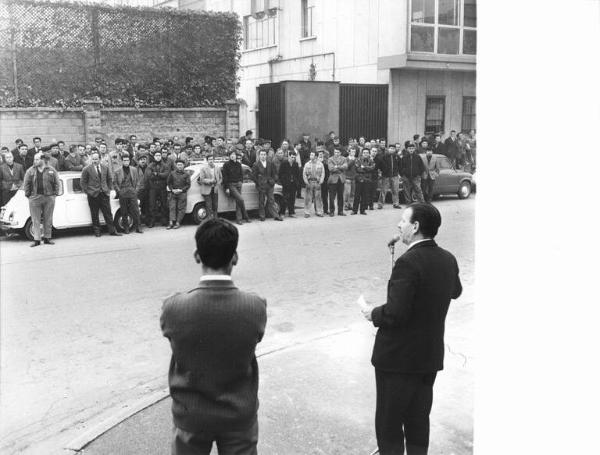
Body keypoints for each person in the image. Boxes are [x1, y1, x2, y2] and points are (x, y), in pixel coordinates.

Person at [361, 203, 462, 455]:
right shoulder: (448, 259)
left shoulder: (408, 262)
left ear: (415, 227)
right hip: (428, 358)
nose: (399, 225)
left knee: (389, 424)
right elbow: (456, 291)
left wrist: (372, 313)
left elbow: (396, 313)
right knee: (418, 421)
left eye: (403, 221)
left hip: (398, 361)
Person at [161, 219, 267, 455]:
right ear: (235, 257)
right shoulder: (255, 307)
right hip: (238, 415)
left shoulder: (173, 308)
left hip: (191, 416)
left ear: (197, 256)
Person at [80, 152, 122, 237]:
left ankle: (112, 230)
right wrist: (88, 192)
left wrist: (108, 189)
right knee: (94, 213)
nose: (94, 161)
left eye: (96, 159)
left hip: (104, 194)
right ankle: (97, 231)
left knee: (108, 213)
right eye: (93, 159)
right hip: (93, 195)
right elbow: (83, 182)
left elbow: (109, 179)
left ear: (99, 159)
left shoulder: (105, 167)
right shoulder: (86, 169)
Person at [22, 152, 60, 247]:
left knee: (48, 218)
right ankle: (37, 239)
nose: (35, 161)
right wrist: (29, 195)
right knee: (35, 219)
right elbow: (26, 184)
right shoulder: (30, 171)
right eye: (34, 159)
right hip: (35, 198)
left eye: (37, 159)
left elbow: (57, 183)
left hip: (49, 197)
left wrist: (54, 194)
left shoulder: (51, 170)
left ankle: (47, 238)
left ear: (43, 160)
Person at [113, 154, 144, 234]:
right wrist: (119, 191)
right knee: (124, 211)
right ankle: (126, 227)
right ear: (122, 161)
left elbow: (138, 181)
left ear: (130, 161)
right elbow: (115, 182)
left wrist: (136, 190)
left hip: (132, 191)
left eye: (127, 160)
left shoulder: (133, 170)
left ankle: (138, 227)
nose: (126, 162)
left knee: (136, 210)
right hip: (123, 191)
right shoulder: (117, 171)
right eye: (124, 160)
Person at [252, 150, 283, 222]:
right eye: (261, 154)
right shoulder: (256, 164)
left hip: (270, 185)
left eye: (264, 154)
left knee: (271, 200)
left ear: (266, 155)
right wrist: (258, 183)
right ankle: (262, 216)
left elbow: (275, 173)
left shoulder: (270, 163)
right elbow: (253, 176)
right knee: (261, 201)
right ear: (259, 156)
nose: (263, 156)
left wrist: (273, 181)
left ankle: (276, 215)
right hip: (261, 185)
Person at [222, 150, 250, 225]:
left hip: (238, 184)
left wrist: (241, 182)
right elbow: (225, 177)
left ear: (236, 156)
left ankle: (239, 219)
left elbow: (241, 175)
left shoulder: (238, 164)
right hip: (231, 185)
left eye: (233, 154)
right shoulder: (226, 165)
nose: (232, 156)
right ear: (229, 156)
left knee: (238, 201)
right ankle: (246, 216)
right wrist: (227, 187)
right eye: (231, 155)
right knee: (241, 199)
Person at [146, 150, 171, 228]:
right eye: (156, 155)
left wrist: (157, 174)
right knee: (152, 204)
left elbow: (166, 174)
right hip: (153, 187)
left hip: (162, 187)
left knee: (164, 204)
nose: (158, 157)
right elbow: (149, 175)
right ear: (154, 156)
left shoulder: (165, 165)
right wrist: (159, 176)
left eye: (159, 155)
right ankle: (152, 221)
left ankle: (164, 220)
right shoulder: (150, 165)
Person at [166, 159, 191, 229]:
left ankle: (178, 222)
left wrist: (181, 190)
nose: (179, 166)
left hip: (182, 193)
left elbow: (188, 184)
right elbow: (169, 183)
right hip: (173, 193)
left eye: (181, 165)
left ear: (183, 166)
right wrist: (172, 189)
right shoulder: (172, 173)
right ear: (176, 165)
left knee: (181, 208)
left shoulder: (186, 174)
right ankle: (171, 222)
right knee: (172, 207)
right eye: (178, 165)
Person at [278, 149, 301, 217]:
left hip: (293, 184)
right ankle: (282, 213)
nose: (293, 159)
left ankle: (291, 212)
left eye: (294, 157)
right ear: (289, 156)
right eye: (292, 157)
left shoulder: (295, 164)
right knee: (284, 199)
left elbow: (297, 174)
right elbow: (280, 174)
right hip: (286, 184)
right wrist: (283, 182)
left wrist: (296, 182)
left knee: (292, 199)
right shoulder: (284, 163)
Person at [198, 154, 221, 220]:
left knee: (215, 205)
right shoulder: (203, 168)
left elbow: (221, 177)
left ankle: (215, 219)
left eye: (212, 159)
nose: (211, 161)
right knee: (209, 205)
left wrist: (218, 183)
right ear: (207, 160)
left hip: (215, 189)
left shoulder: (217, 168)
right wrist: (210, 181)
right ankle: (209, 220)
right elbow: (202, 179)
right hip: (206, 189)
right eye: (209, 159)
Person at [377, 145, 401, 209]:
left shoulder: (397, 157)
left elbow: (400, 165)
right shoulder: (384, 157)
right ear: (388, 149)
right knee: (383, 190)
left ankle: (396, 203)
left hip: (395, 176)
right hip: (386, 176)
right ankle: (380, 204)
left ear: (395, 149)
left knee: (395, 190)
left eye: (393, 148)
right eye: (390, 148)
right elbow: (380, 165)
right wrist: (382, 172)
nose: (392, 149)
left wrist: (398, 173)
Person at [352, 148, 375, 215]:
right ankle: (354, 210)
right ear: (362, 153)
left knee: (365, 196)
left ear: (369, 153)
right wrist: (366, 168)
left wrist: (364, 167)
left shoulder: (371, 160)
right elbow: (357, 169)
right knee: (357, 196)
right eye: (364, 152)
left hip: (367, 180)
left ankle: (363, 210)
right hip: (359, 179)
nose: (365, 154)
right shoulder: (358, 160)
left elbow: (372, 168)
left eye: (367, 153)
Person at [302, 150, 324, 218]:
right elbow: (304, 174)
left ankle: (319, 211)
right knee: (308, 198)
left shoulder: (320, 164)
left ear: (316, 157)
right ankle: (307, 212)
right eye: (310, 155)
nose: (310, 156)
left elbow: (323, 173)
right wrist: (306, 182)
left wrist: (321, 181)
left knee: (318, 198)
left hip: (317, 182)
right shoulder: (307, 164)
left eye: (312, 155)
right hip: (310, 182)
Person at [327, 148, 348, 216]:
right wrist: (340, 168)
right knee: (331, 197)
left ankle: (340, 211)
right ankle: (332, 211)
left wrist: (337, 167)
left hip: (341, 179)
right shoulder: (330, 159)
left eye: (338, 152)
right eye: (335, 152)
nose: (336, 153)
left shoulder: (344, 159)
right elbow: (331, 168)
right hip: (333, 180)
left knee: (341, 196)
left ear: (340, 153)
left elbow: (345, 167)